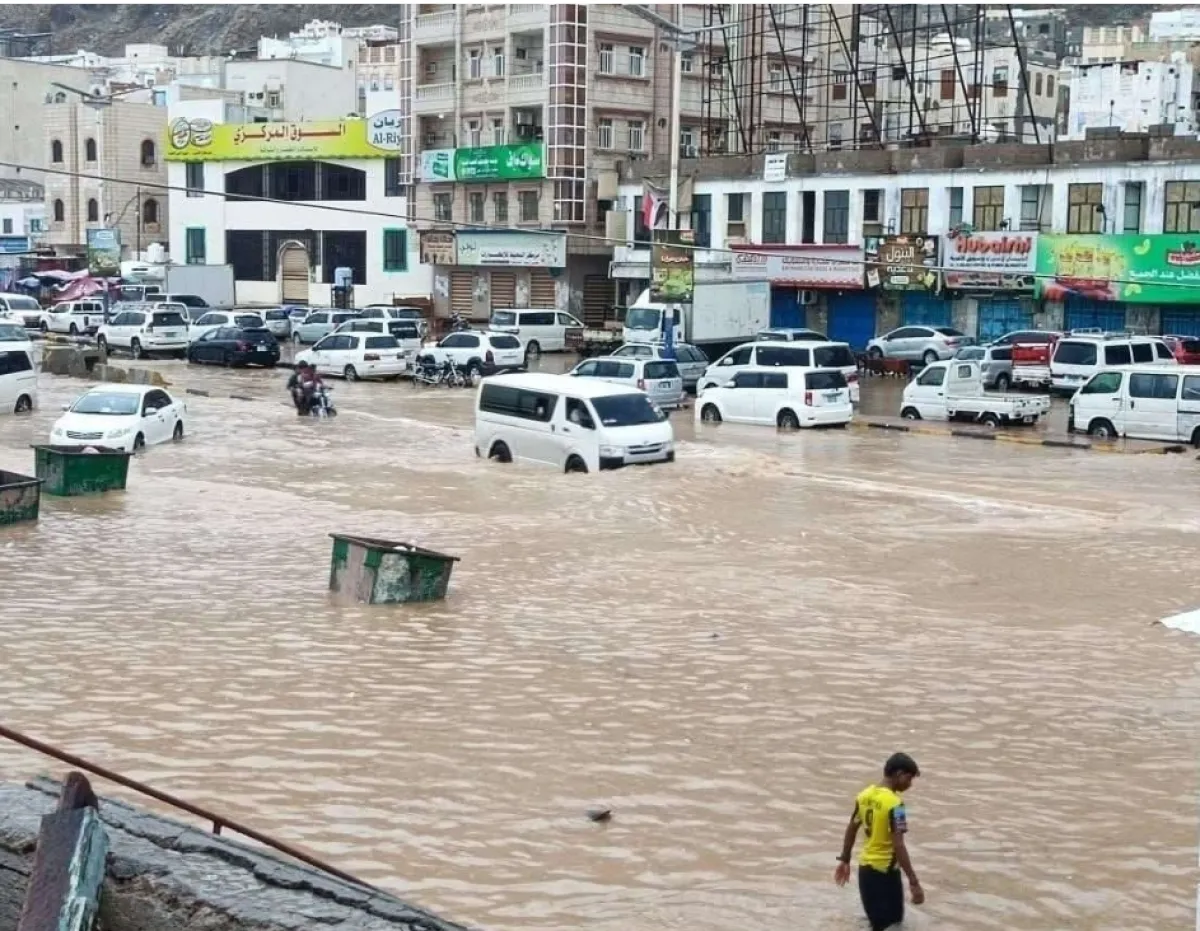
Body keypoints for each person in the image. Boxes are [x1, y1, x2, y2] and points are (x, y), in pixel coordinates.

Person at [834, 752, 923, 931]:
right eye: (909, 778)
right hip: (885, 874)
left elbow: (852, 827)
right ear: (898, 774)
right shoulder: (896, 805)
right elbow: (899, 845)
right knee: (894, 925)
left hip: (865, 871)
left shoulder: (864, 796)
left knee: (876, 924)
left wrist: (845, 859)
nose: (910, 784)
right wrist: (914, 881)